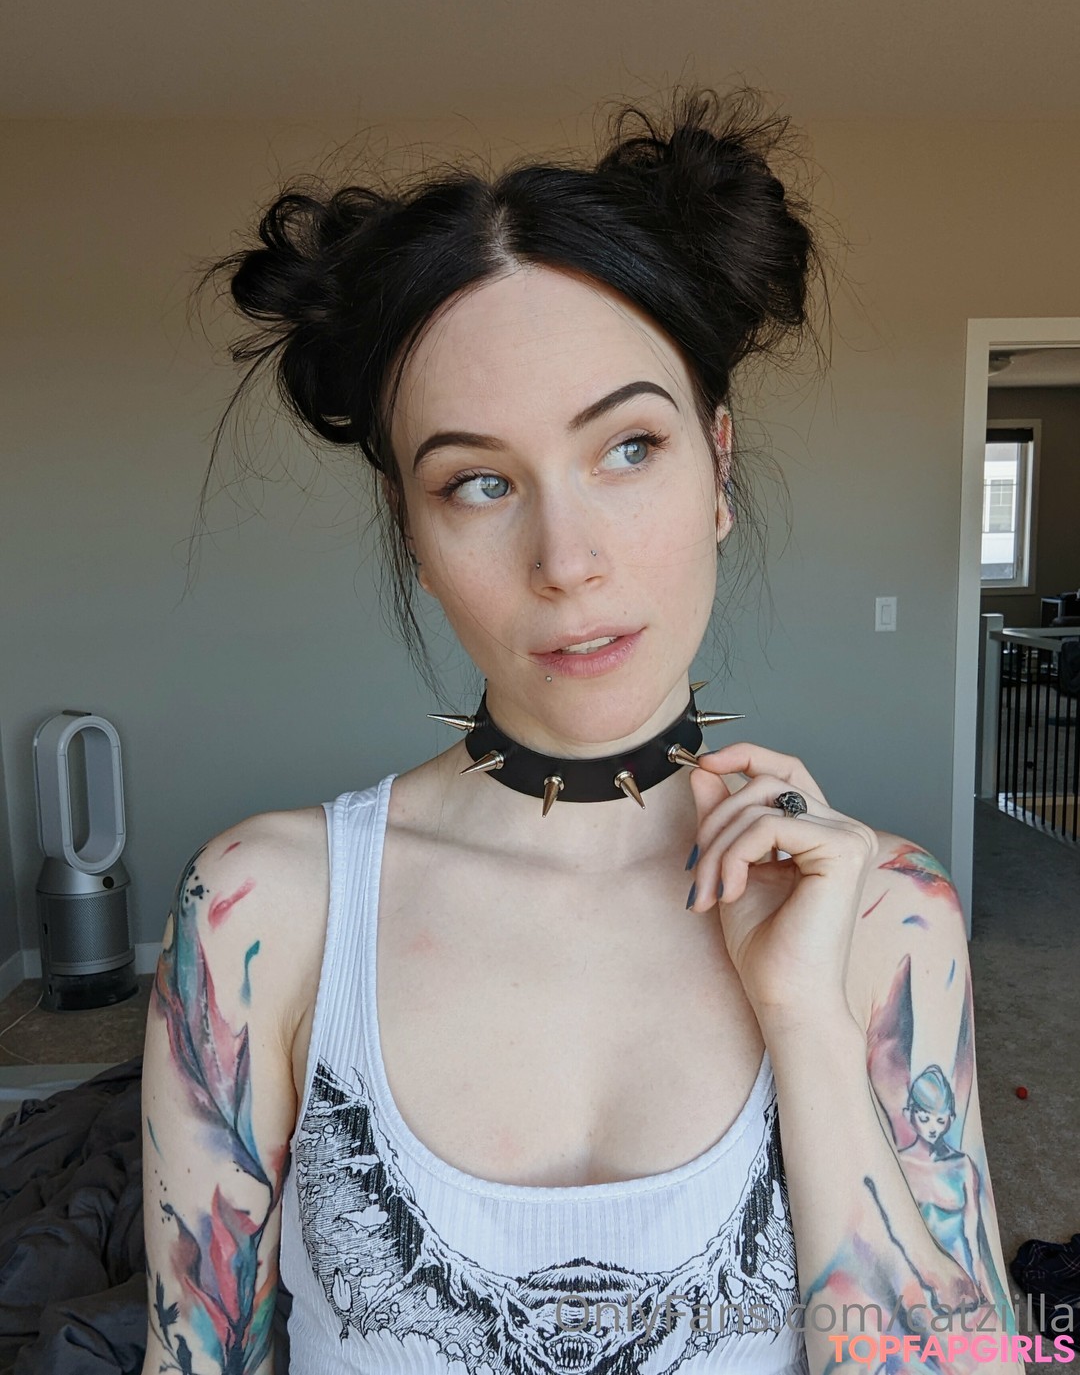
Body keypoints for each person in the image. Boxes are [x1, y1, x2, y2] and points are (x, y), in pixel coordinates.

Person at [141, 89, 1023, 1375]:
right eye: (478, 482)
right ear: (410, 531)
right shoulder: (260, 914)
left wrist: (810, 1026)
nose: (567, 560)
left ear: (718, 467)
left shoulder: (889, 919)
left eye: (627, 448)